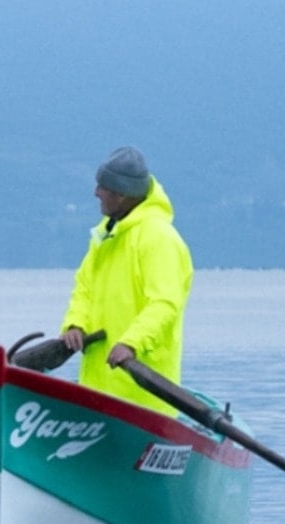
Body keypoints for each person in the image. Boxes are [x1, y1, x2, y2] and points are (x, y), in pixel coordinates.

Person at [59, 146, 193, 416]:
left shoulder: (159, 239)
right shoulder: (104, 237)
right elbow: (84, 288)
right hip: (97, 392)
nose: (96, 193)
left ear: (121, 194)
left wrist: (131, 343)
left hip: (144, 400)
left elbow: (164, 304)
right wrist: (75, 324)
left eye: (102, 187)